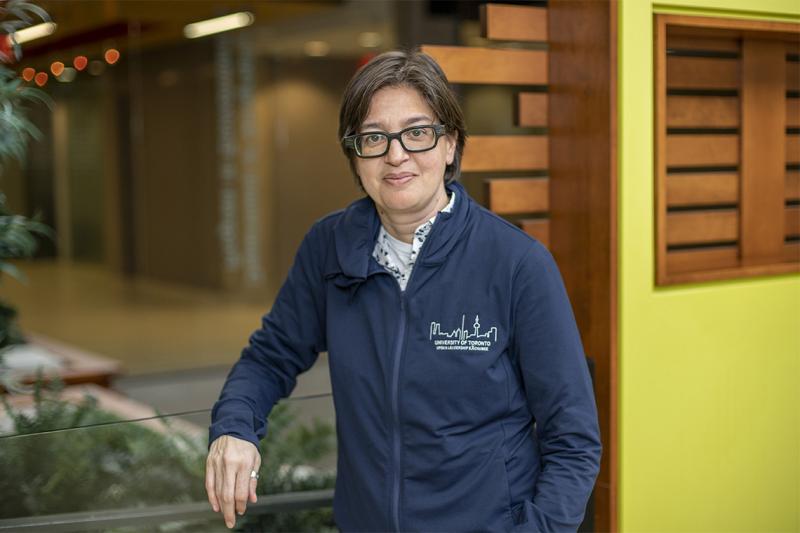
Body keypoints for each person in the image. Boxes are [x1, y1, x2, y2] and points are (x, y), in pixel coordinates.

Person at [206, 49, 601, 532]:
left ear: (450, 144)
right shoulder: (329, 248)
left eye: (417, 133)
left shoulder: (518, 264)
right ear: (355, 154)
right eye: (375, 137)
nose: (396, 155)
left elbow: (574, 441)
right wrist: (234, 429)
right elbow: (269, 358)